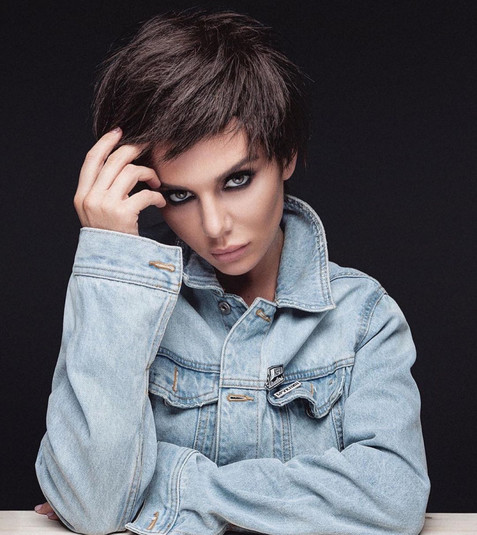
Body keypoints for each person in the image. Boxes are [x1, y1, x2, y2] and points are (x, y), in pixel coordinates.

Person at [34, 9, 430, 535]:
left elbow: (393, 497)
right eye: (180, 195)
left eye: (237, 180)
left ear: (287, 156)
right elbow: (92, 503)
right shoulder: (132, 306)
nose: (215, 226)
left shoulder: (363, 318)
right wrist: (110, 259)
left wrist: (164, 487)